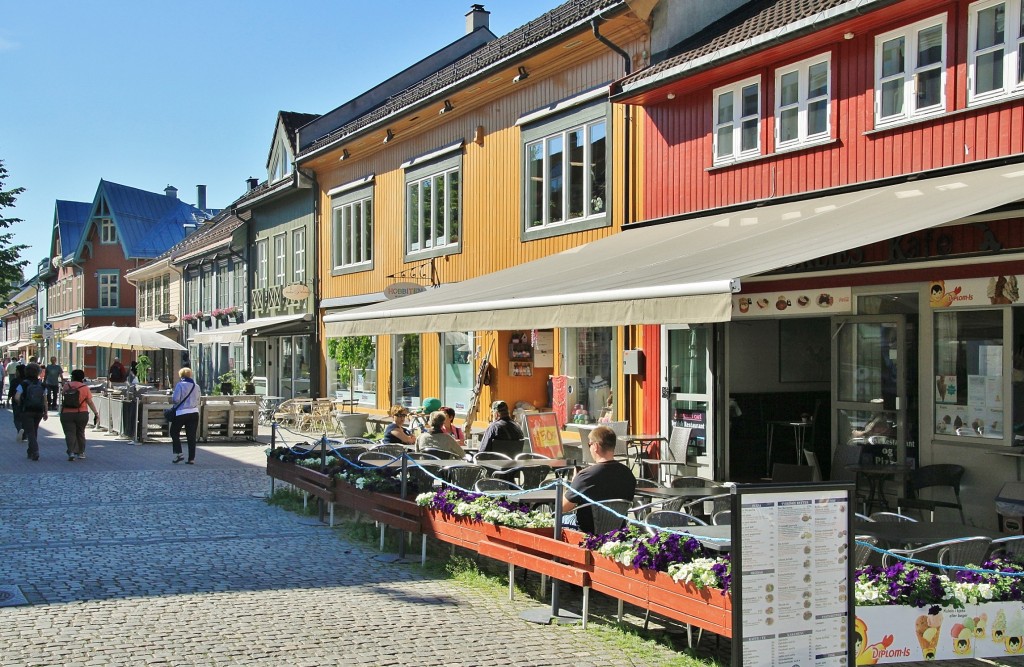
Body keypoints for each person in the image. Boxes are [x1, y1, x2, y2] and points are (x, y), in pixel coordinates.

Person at [562, 425, 636, 534]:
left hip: (585, 533)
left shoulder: (585, 476)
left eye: (589, 444)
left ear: (596, 446)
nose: (590, 448)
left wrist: (572, 484)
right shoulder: (628, 474)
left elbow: (563, 507)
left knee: (554, 519)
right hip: (617, 532)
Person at [60, 369, 100, 461]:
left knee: (70, 433)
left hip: (67, 413)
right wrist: (96, 413)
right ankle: (81, 452)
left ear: (72, 376)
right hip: (81, 413)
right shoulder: (85, 388)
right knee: (80, 433)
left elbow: (63, 395)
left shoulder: (67, 386)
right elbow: (89, 402)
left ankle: (71, 452)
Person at [14, 363, 48, 461]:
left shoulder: (23, 384)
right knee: (34, 430)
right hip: (39, 410)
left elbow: (17, 397)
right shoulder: (41, 384)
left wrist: (21, 403)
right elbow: (45, 400)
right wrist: (46, 412)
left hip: (27, 410)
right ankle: (30, 451)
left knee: (30, 432)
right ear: (38, 372)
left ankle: (35, 451)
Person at [170, 367, 202, 464]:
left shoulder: (180, 385)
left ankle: (179, 453)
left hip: (181, 413)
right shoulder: (196, 386)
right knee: (191, 436)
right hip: (194, 413)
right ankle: (191, 459)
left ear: (181, 375)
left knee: (174, 432)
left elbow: (176, 399)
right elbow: (198, 400)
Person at [9, 357, 25, 438]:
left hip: (16, 401)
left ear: (18, 372)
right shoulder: (27, 380)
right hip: (26, 401)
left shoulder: (14, 380)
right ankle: (24, 433)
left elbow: (11, 390)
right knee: (24, 418)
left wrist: (8, 398)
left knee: (16, 418)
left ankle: (19, 430)